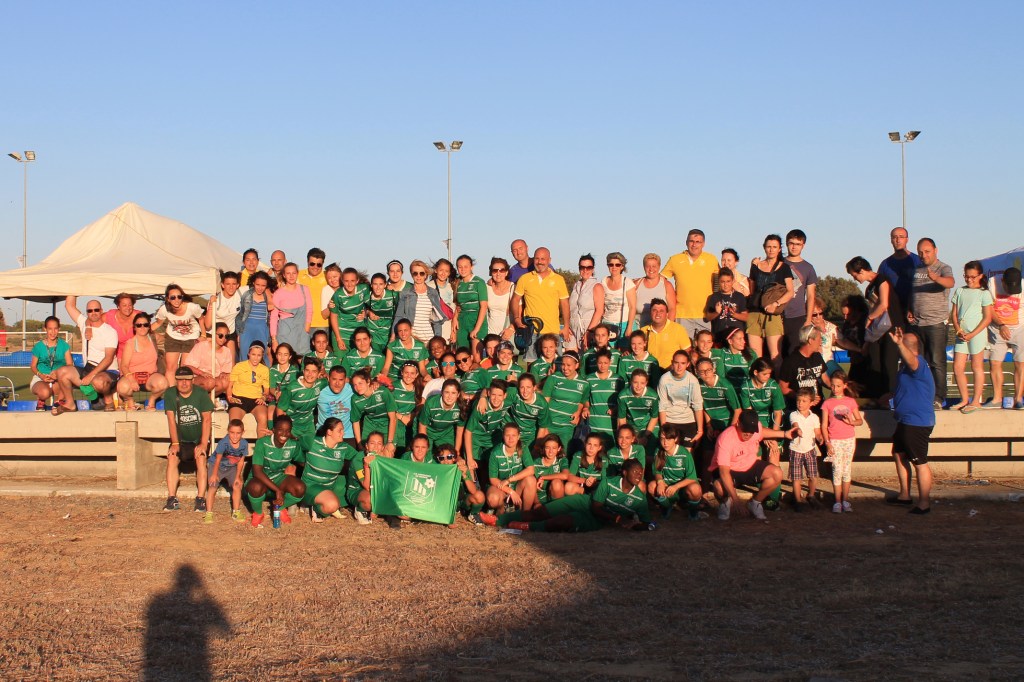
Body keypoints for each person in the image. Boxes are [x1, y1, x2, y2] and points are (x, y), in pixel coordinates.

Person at [480, 458, 653, 533]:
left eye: (641, 472)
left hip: (596, 520)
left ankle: (527, 527)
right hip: (585, 503)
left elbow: (647, 523)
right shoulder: (609, 482)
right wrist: (618, 519)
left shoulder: (639, 498)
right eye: (635, 471)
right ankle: (498, 520)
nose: (639, 475)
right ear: (624, 472)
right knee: (543, 511)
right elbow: (596, 507)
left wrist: (638, 526)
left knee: (562, 522)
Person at [711, 409, 796, 521]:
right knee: (719, 486)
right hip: (730, 469)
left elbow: (762, 432)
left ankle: (755, 502)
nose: (748, 434)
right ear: (738, 424)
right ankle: (725, 502)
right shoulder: (725, 439)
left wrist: (784, 434)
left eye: (751, 431)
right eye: (745, 430)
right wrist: (736, 500)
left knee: (777, 474)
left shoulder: (756, 430)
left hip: (750, 465)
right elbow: (723, 472)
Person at [887, 327, 936, 514]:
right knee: (899, 454)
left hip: (917, 422)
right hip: (905, 421)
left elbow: (912, 360)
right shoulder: (904, 370)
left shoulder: (919, 365)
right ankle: (904, 495)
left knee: (919, 461)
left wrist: (900, 344)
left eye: (902, 344)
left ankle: (924, 502)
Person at [847, 256, 903, 399]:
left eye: (854, 275)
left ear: (861, 271)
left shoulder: (881, 280)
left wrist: (870, 318)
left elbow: (884, 304)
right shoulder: (869, 288)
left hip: (891, 328)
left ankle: (890, 397)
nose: (854, 279)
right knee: (875, 363)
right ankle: (877, 396)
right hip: (877, 331)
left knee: (889, 364)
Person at [53, 296, 119, 414]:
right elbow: (69, 305)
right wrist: (75, 284)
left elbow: (108, 358)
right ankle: (70, 404)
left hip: (108, 371)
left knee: (98, 381)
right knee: (62, 372)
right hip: (88, 369)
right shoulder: (84, 324)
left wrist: (91, 376)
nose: (93, 313)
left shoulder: (110, 331)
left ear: (101, 311)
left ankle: (108, 400)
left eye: (96, 310)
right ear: (87, 313)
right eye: (90, 310)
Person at [909, 238, 955, 408]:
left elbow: (950, 282)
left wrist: (937, 278)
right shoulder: (916, 269)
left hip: (936, 322)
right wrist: (910, 308)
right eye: (920, 252)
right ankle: (922, 394)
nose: (923, 255)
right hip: (917, 323)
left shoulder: (943, 268)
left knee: (937, 362)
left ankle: (939, 397)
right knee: (918, 362)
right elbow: (913, 293)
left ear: (935, 250)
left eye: (927, 251)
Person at [162, 366, 213, 513]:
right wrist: (175, 443)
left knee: (201, 458)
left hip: (198, 438)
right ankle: (172, 498)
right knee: (172, 457)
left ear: (192, 381)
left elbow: (207, 419)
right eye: (180, 380)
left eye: (187, 380)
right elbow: (171, 419)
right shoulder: (170, 394)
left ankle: (200, 498)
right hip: (181, 439)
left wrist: (203, 443)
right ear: (176, 381)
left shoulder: (201, 394)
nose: (184, 383)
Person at [245, 413, 306, 527]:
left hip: (278, 478)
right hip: (260, 478)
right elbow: (257, 471)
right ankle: (258, 513)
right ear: (273, 430)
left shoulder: (293, 445)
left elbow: (303, 462)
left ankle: (280, 508)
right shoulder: (262, 443)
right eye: (280, 430)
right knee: (255, 487)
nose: (284, 434)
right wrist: (278, 491)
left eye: (287, 431)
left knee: (300, 488)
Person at [950, 261, 994, 413]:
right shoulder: (960, 291)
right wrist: (958, 330)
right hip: (961, 334)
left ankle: (976, 401)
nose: (969, 280)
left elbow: (987, 318)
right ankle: (964, 399)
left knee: (977, 366)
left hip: (977, 334)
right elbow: (954, 314)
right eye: (966, 277)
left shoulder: (984, 293)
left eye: (972, 277)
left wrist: (972, 334)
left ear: (980, 276)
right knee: (957, 367)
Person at [510, 247, 572, 351]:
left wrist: (566, 326)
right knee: (531, 364)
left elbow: (565, 304)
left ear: (549, 260)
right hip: (531, 331)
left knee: (553, 365)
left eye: (543, 259)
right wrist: (517, 319)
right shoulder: (524, 278)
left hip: (552, 331)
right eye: (537, 259)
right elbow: (515, 300)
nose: (540, 262)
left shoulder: (558, 280)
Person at [298, 417, 359, 523]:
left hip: (331, 485)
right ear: (329, 432)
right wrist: (299, 462)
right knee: (332, 505)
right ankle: (316, 508)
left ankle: (359, 509)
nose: (343, 433)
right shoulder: (312, 441)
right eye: (339, 430)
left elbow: (359, 458)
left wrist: (374, 454)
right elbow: (295, 445)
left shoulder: (343, 447)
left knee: (355, 484)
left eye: (343, 430)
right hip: (311, 485)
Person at [661, 229, 719, 338]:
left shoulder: (711, 259)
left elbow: (720, 281)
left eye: (698, 242)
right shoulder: (675, 259)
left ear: (703, 244)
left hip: (705, 314)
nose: (694, 244)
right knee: (684, 350)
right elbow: (661, 280)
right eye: (691, 241)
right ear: (686, 242)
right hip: (682, 314)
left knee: (704, 351)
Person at [746, 234, 794, 367]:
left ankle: (778, 386)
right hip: (755, 313)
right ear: (764, 248)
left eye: (774, 247)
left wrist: (776, 304)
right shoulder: (756, 266)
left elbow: (790, 291)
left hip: (773, 314)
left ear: (779, 249)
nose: (771, 250)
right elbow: (752, 290)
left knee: (775, 355)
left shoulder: (784, 268)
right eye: (768, 247)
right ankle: (756, 385)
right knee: (755, 356)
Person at [820, 370, 863, 514]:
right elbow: (824, 424)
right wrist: (827, 442)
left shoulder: (850, 402)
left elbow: (859, 421)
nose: (835, 389)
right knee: (836, 470)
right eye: (832, 386)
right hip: (835, 440)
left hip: (849, 439)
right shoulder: (827, 403)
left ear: (844, 385)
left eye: (838, 386)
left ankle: (845, 500)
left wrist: (851, 422)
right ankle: (837, 501)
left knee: (846, 470)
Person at [152, 284, 206, 388]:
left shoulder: (191, 307)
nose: (176, 300)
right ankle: (172, 391)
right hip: (173, 338)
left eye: (179, 296)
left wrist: (203, 334)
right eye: (173, 297)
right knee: (171, 367)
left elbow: (201, 318)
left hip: (191, 338)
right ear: (168, 299)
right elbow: (158, 323)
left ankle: (185, 392)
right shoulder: (164, 309)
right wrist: (143, 330)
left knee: (185, 368)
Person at [650, 423, 704, 520]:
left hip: (682, 488)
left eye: (669, 439)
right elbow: (657, 471)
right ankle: (667, 507)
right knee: (651, 486)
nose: (665, 443)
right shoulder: (658, 451)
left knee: (695, 489)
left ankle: (693, 512)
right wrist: (660, 482)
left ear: (675, 439)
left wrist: (676, 486)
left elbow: (692, 477)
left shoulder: (685, 454)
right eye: (662, 439)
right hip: (667, 487)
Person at [116, 312, 169, 411]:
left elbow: (169, 340)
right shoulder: (130, 343)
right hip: (132, 376)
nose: (142, 328)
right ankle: (130, 402)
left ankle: (151, 401)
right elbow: (124, 366)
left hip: (150, 375)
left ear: (149, 326)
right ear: (134, 327)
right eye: (139, 325)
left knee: (163, 383)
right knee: (122, 387)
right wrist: (131, 380)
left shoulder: (154, 338)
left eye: (145, 325)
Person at [988, 267, 1024, 409]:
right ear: (1002, 281)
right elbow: (989, 308)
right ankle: (997, 399)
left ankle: (1018, 399)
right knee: (995, 363)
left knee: (1020, 364)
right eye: (1009, 287)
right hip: (997, 329)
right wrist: (1001, 325)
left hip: (1019, 329)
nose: (1011, 292)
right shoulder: (993, 283)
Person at [540, 350, 590, 452]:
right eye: (563, 364)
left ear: (576, 365)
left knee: (563, 455)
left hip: (567, 427)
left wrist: (580, 410)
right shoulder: (554, 378)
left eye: (569, 365)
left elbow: (583, 401)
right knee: (546, 453)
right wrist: (544, 426)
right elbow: (544, 403)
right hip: (550, 424)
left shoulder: (584, 384)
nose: (565, 368)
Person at [203, 418, 249, 523]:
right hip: (217, 465)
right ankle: (209, 512)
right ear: (228, 432)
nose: (235, 436)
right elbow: (218, 459)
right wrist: (214, 474)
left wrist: (238, 476)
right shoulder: (223, 443)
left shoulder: (244, 444)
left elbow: (241, 461)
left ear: (243, 433)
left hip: (231, 467)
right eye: (232, 433)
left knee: (237, 486)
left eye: (238, 433)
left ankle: (236, 511)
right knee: (212, 486)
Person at [485, 423, 540, 512]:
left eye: (514, 435)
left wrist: (509, 480)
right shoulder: (495, 453)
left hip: (517, 486)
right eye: (507, 435)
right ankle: (502, 509)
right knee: (493, 499)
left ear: (518, 436)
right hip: (501, 487)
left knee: (531, 480)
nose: (511, 439)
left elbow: (531, 469)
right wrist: (510, 491)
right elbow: (493, 479)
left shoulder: (523, 448)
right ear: (503, 436)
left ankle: (524, 514)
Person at [781, 229, 818, 357]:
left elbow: (811, 295)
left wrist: (808, 320)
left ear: (803, 245)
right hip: (778, 314)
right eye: (791, 243)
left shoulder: (808, 268)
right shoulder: (780, 263)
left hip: (797, 316)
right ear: (786, 243)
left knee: (794, 352)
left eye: (798, 244)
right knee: (777, 353)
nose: (794, 247)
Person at [777, 325, 832, 408]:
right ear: (810, 340)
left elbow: (825, 379)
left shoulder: (817, 356)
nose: (821, 342)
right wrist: (803, 399)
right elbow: (782, 387)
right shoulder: (790, 361)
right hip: (799, 409)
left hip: (818, 406)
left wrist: (840, 387)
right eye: (819, 339)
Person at [393, 260, 446, 344]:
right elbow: (398, 316)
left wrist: (438, 339)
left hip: (428, 338)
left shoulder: (433, 293)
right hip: (411, 338)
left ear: (426, 275)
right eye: (415, 273)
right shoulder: (405, 293)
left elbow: (437, 320)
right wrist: (393, 336)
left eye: (422, 273)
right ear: (411, 274)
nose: (418, 276)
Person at [657, 350, 703, 445]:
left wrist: (700, 430)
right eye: (676, 363)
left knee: (687, 454)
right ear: (672, 363)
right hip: (670, 420)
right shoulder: (664, 379)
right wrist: (664, 428)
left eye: (682, 363)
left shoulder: (693, 381)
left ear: (688, 364)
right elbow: (662, 406)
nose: (679, 366)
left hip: (688, 420)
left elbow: (698, 406)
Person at [787, 388, 823, 511]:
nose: (800, 403)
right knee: (797, 477)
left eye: (804, 401)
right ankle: (797, 499)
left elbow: (817, 431)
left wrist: (820, 438)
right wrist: (797, 430)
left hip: (810, 449)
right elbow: (795, 424)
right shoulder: (793, 414)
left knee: (813, 476)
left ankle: (811, 495)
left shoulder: (815, 417)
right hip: (796, 449)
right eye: (798, 400)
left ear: (811, 402)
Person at [464, 379, 512, 470]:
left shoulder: (508, 401)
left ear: (505, 396)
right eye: (493, 395)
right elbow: (468, 431)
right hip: (475, 437)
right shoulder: (481, 407)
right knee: (471, 466)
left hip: (491, 438)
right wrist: (469, 459)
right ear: (489, 393)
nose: (496, 398)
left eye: (500, 395)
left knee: (493, 465)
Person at [228, 341, 272, 438]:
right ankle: (234, 449)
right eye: (253, 354)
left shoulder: (264, 370)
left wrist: (263, 398)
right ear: (248, 354)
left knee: (263, 417)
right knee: (234, 422)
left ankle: (261, 448)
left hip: (255, 399)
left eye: (259, 355)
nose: (256, 358)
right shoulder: (239, 366)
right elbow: (230, 385)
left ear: (262, 356)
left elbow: (266, 390)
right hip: (239, 398)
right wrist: (229, 397)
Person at [276, 357, 325, 440]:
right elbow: (280, 411)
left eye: (314, 371)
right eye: (307, 370)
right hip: (292, 427)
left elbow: (332, 379)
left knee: (310, 451)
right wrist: (287, 431)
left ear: (318, 374)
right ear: (303, 371)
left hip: (308, 427)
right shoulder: (291, 388)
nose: (310, 374)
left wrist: (325, 373)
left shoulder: (321, 384)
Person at [30, 315, 73, 409]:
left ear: (59, 329)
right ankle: (41, 400)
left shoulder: (64, 345)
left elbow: (70, 365)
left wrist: (57, 374)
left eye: (55, 329)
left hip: (59, 379)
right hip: (40, 378)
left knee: (68, 382)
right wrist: (41, 375)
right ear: (45, 329)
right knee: (44, 393)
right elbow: (33, 366)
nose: (53, 332)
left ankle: (59, 402)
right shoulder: (38, 346)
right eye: (50, 329)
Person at [349, 367, 398, 450]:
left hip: (386, 423)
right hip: (370, 424)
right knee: (367, 452)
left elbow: (393, 418)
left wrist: (390, 441)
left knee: (388, 451)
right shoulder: (355, 399)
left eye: (360, 383)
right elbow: (355, 421)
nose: (358, 387)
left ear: (368, 382)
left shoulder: (383, 392)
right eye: (355, 385)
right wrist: (359, 443)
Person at [271, 262, 314, 355]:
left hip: (302, 329)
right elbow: (274, 317)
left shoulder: (304, 289)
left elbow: (309, 309)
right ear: (284, 275)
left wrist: (307, 325)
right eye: (288, 273)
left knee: (303, 357)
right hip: (285, 331)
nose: (291, 276)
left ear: (297, 273)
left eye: (293, 273)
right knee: (286, 358)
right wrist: (274, 339)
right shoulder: (278, 293)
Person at [878, 227, 923, 314]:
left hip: (916, 311)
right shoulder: (884, 265)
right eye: (894, 237)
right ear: (891, 240)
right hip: (894, 313)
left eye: (901, 237)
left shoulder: (918, 261)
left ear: (907, 240)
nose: (898, 240)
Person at [183, 321, 234, 396]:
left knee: (227, 381)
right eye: (220, 335)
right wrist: (202, 373)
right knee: (210, 382)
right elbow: (188, 366)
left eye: (226, 336)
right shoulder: (201, 346)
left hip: (214, 378)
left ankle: (207, 401)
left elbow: (227, 370)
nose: (223, 338)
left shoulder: (227, 351)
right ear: (214, 334)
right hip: (198, 378)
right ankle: (195, 398)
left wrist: (224, 373)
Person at [583, 348, 622, 444]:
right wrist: (586, 407)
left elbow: (622, 400)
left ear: (610, 362)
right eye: (600, 363)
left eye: (605, 363)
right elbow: (585, 398)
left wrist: (616, 409)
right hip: (594, 422)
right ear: (596, 362)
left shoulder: (618, 379)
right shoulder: (589, 379)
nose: (603, 366)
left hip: (610, 422)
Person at [641, 298, 691, 369]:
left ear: (667, 314)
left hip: (671, 372)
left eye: (661, 311)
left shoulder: (678, 329)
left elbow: (687, 352)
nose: (658, 313)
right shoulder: (643, 331)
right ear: (650, 313)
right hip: (649, 373)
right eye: (654, 310)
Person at [567, 253, 603, 351]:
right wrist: (567, 326)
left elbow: (599, 311)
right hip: (572, 330)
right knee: (570, 361)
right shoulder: (576, 285)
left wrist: (589, 331)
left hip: (588, 329)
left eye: (589, 267)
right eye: (582, 267)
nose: (585, 270)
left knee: (586, 361)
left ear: (593, 269)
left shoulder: (597, 286)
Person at [417, 378, 464, 452]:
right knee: (424, 454)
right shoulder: (431, 403)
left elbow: (459, 431)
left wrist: (456, 452)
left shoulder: (461, 407)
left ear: (458, 394)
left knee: (449, 457)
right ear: (441, 392)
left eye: (453, 393)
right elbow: (422, 426)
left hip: (445, 432)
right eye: (447, 392)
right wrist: (424, 447)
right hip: (428, 430)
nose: (449, 396)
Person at [616, 369, 660, 447]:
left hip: (649, 427)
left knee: (650, 455)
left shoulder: (653, 396)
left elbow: (654, 417)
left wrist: (646, 436)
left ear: (646, 383)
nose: (639, 386)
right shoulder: (623, 395)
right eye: (635, 382)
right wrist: (627, 436)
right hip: (632, 427)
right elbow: (621, 419)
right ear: (630, 382)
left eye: (642, 383)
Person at [236, 271, 273, 364]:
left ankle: (264, 376)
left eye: (263, 285)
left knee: (262, 354)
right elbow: (241, 314)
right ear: (253, 283)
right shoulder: (247, 294)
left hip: (262, 328)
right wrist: (239, 333)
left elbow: (271, 307)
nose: (260, 288)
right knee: (245, 353)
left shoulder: (268, 295)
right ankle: (244, 376)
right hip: (246, 328)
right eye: (258, 284)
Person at [205, 271, 242, 362]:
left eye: (234, 284)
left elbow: (259, 284)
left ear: (237, 285)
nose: (231, 287)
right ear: (222, 285)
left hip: (229, 333)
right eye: (228, 284)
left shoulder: (240, 294)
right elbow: (208, 325)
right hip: (213, 333)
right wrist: (211, 305)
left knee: (231, 361)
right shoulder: (216, 300)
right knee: (212, 362)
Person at [703, 267, 747, 342]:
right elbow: (707, 317)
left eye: (728, 281)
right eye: (722, 282)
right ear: (719, 282)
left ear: (733, 281)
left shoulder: (739, 296)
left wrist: (734, 314)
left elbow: (746, 317)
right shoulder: (714, 297)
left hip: (735, 338)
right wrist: (716, 312)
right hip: (719, 336)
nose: (725, 285)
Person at [601, 252, 637, 343]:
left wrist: (629, 328)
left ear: (622, 267)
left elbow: (632, 307)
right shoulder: (604, 281)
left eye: (617, 265)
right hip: (607, 323)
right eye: (611, 264)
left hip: (624, 324)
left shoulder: (628, 283)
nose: (614, 267)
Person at [634, 253, 676, 328]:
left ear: (659, 267)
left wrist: (668, 329)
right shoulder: (636, 285)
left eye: (654, 266)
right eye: (648, 266)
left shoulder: (667, 285)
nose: (651, 269)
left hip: (660, 329)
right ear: (644, 267)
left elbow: (672, 309)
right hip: (638, 329)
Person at [712, 326, 758, 394]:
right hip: (729, 391)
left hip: (746, 392)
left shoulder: (750, 354)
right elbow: (706, 351)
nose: (744, 341)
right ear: (730, 341)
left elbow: (756, 375)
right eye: (739, 339)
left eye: (743, 338)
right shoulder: (723, 353)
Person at [527, 434, 570, 504]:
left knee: (557, 483)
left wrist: (543, 477)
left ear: (559, 448)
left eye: (554, 448)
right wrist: (537, 503)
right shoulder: (535, 463)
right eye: (547, 447)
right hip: (538, 500)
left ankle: (557, 510)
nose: (550, 451)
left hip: (555, 499)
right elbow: (530, 486)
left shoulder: (562, 460)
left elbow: (565, 475)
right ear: (543, 448)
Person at [391, 362, 424, 453]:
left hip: (410, 428)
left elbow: (419, 408)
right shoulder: (393, 386)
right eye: (406, 372)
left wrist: (411, 417)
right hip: (395, 425)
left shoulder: (419, 389)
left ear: (417, 374)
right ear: (402, 372)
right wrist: (401, 417)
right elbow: (387, 407)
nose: (409, 376)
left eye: (412, 373)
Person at [102, 293, 144, 361]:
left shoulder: (140, 316)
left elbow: (148, 332)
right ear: (118, 306)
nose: (128, 308)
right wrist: (89, 327)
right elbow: (94, 320)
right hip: (118, 355)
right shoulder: (110, 316)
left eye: (130, 305)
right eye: (124, 305)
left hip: (137, 353)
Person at [298, 248, 329, 335]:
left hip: (322, 323)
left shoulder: (328, 277)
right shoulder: (298, 275)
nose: (315, 267)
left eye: (319, 265)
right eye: (312, 264)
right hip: (302, 323)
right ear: (307, 262)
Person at [365, 272, 398, 353]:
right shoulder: (367, 297)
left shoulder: (393, 295)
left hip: (388, 331)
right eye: (375, 284)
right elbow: (361, 309)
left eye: (380, 284)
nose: (378, 287)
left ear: (385, 285)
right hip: (373, 331)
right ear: (371, 285)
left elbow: (400, 311)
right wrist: (368, 312)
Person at [485, 257, 516, 341]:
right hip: (490, 335)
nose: (498, 273)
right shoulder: (487, 288)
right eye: (495, 271)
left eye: (502, 270)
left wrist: (511, 329)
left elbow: (520, 313)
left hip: (508, 333)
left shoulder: (513, 288)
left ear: (506, 272)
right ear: (491, 273)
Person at [432, 258, 456, 342]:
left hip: (448, 326)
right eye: (441, 270)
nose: (443, 273)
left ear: (449, 273)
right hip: (433, 326)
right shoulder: (429, 286)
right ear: (436, 270)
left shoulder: (451, 287)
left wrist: (453, 332)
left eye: (446, 271)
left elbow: (454, 310)